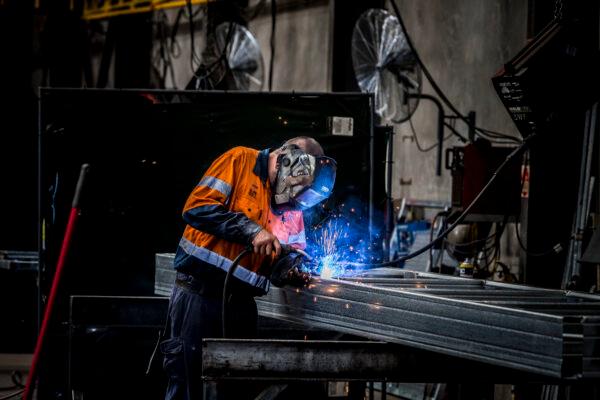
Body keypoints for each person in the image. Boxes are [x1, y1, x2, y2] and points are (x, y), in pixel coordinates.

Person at [161, 136, 336, 400]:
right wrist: (251, 232)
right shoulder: (239, 160)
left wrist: (291, 268)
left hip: (242, 307)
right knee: (190, 387)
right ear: (286, 161)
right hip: (198, 297)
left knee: (235, 389)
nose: (294, 204)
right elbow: (197, 208)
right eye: (297, 191)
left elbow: (282, 257)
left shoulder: (293, 204)